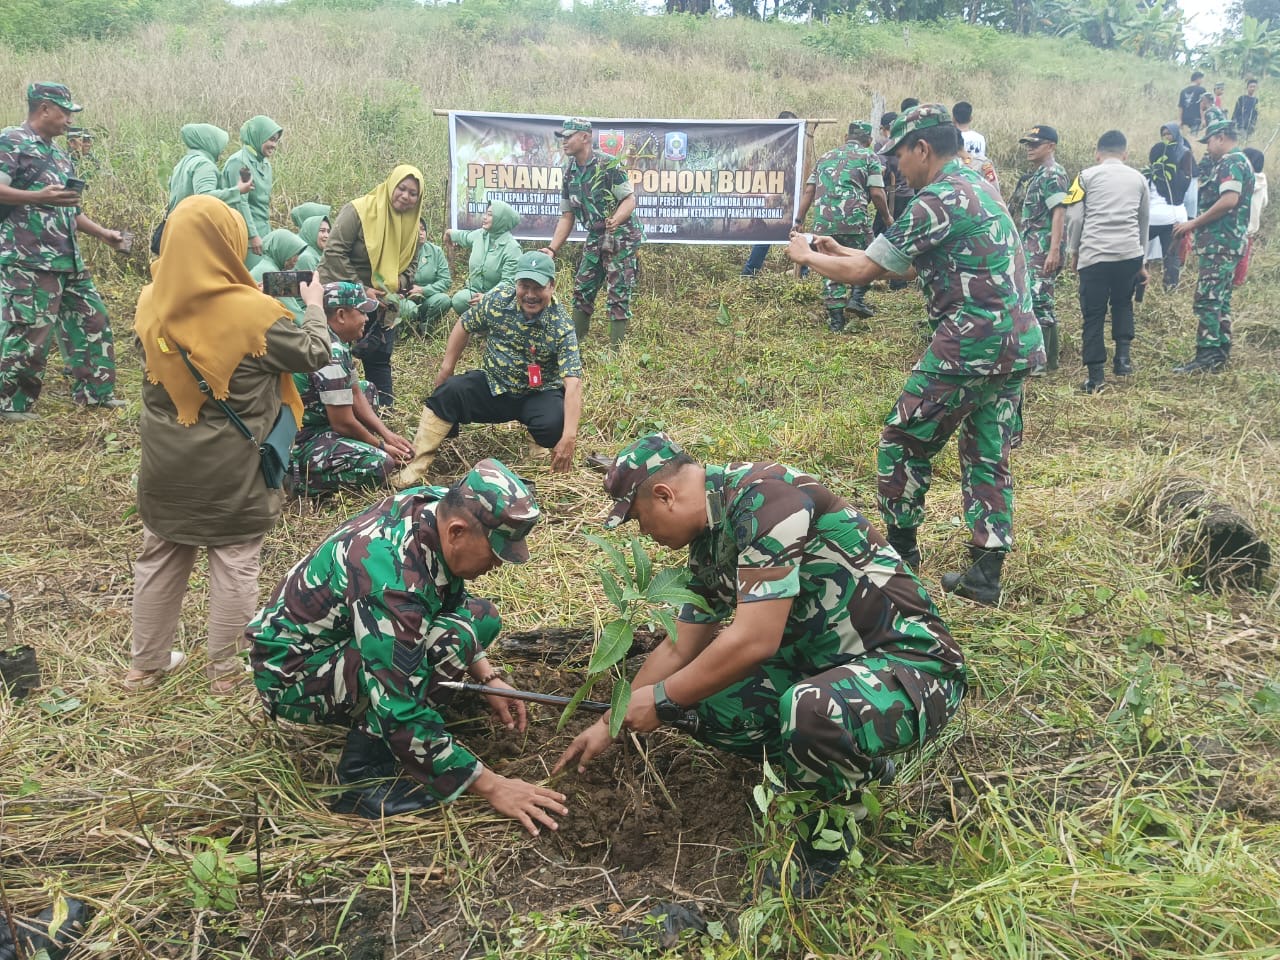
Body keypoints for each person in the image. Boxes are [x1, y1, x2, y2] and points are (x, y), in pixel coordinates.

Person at [554, 433, 966, 897]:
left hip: (912, 670)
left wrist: (663, 700)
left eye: (639, 519)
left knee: (808, 708)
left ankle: (829, 837)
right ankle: (855, 766)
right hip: (827, 669)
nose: (643, 533)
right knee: (707, 703)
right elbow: (679, 648)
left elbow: (754, 640)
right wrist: (614, 718)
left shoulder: (768, 497)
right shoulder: (708, 542)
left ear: (664, 496)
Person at [788, 105, 1044, 605]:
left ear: (923, 149)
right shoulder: (979, 186)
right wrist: (838, 248)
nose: (894, 167)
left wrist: (806, 255)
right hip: (1016, 345)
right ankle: (985, 574)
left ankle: (900, 558)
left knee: (901, 442)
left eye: (898, 155)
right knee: (988, 451)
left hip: (969, 343)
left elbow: (864, 274)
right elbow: (898, 265)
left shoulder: (938, 198)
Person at [249, 458, 569, 832]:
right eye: (495, 553)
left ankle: (402, 727)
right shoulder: (393, 583)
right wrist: (492, 785)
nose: (498, 564)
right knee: (445, 647)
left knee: (481, 617)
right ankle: (362, 779)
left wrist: (488, 675)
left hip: (343, 639)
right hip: (293, 674)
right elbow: (398, 708)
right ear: (457, 532)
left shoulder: (432, 506)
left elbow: (445, 595)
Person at [125, 195, 331, 693]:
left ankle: (143, 667)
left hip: (164, 465)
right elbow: (315, 352)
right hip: (232, 469)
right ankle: (226, 675)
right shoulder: (254, 313)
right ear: (228, 244)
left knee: (160, 557)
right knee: (235, 561)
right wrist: (313, 306)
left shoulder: (151, 300)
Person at [395, 251, 582, 487]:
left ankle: (538, 451)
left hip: (537, 394)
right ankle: (417, 464)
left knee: (556, 421)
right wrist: (446, 368)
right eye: (525, 286)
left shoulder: (561, 325)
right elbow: (465, 324)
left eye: (538, 287)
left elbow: (573, 382)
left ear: (552, 286)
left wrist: (569, 437)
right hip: (494, 385)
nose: (530, 295)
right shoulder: (497, 300)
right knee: (449, 392)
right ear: (516, 284)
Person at [0, 82, 128, 423]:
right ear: (44, 108)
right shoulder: (12, 140)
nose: (69, 119)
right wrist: (38, 197)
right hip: (28, 258)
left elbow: (71, 208)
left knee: (92, 318)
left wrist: (105, 234)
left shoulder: (59, 154)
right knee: (30, 330)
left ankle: (95, 394)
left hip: (67, 257)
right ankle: (11, 404)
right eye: (65, 111)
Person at [290, 282, 413, 497]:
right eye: (361, 312)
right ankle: (301, 476)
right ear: (341, 315)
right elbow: (343, 422)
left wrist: (386, 434)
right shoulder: (332, 353)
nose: (366, 319)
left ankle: (349, 444)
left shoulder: (336, 340)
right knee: (381, 463)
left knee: (368, 390)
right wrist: (381, 447)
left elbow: (355, 392)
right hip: (302, 438)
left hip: (321, 416)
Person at [318, 164, 424, 407]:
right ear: (391, 185)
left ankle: (384, 410)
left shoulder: (413, 227)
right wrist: (360, 289)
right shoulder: (358, 211)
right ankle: (332, 412)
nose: (406, 197)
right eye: (402, 188)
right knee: (332, 354)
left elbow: (412, 265)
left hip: (382, 297)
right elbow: (334, 251)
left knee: (378, 355)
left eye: (413, 193)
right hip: (342, 290)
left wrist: (398, 282)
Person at [542, 117, 644, 346]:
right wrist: (551, 249)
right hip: (596, 236)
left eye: (568, 137)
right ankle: (576, 343)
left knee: (618, 290)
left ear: (585, 137)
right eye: (563, 138)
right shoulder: (569, 172)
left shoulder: (607, 165)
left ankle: (615, 351)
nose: (564, 142)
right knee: (582, 287)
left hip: (622, 236)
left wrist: (615, 220)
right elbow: (567, 216)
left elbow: (629, 200)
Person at [1062, 130, 1149, 393]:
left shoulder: (1084, 177)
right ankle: (1123, 361)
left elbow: (1075, 219)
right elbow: (1143, 220)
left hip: (1095, 255)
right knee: (1123, 303)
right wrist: (1142, 260)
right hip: (1129, 254)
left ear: (1097, 154)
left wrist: (1073, 251)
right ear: (1125, 154)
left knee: (1093, 314)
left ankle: (1096, 377)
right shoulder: (1139, 178)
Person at [1171, 120, 1255, 373]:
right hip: (1225, 243)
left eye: (1208, 141)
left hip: (1220, 243)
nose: (1207, 148)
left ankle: (1206, 354)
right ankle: (1220, 350)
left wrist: (1192, 224)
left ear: (1220, 137)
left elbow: (1229, 200)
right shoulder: (1236, 162)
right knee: (1221, 298)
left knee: (1208, 298)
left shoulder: (1232, 162)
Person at [794, 121, 891, 331]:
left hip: (824, 222)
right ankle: (857, 297)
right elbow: (876, 192)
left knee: (829, 264)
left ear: (845, 138)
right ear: (869, 141)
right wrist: (887, 218)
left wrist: (799, 221)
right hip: (854, 220)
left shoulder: (825, 157)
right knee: (868, 255)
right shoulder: (869, 156)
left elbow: (809, 192)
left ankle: (836, 320)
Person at [1017, 125, 1069, 372]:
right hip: (1034, 249)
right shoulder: (1041, 174)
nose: (1030, 149)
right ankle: (1043, 361)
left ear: (1050, 146)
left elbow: (1059, 212)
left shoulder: (1053, 174)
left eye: (1035, 144)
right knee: (1037, 299)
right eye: (1028, 144)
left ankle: (1043, 364)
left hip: (1043, 249)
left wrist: (1054, 250)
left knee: (1040, 301)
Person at [219, 116, 282, 266]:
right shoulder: (240, 162)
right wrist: (252, 235)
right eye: (271, 139)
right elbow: (240, 202)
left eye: (276, 140)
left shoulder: (265, 163)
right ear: (258, 136)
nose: (274, 145)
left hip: (264, 231)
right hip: (245, 234)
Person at [742, 111, 799, 276]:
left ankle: (802, 269)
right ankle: (749, 273)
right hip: (766, 197)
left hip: (787, 201)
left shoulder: (795, 147)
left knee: (794, 233)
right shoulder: (767, 146)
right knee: (765, 235)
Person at [443, 199, 521, 315]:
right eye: (485, 213)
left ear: (501, 220)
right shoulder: (481, 235)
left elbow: (508, 283)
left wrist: (487, 297)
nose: (484, 217)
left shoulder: (513, 248)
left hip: (499, 297)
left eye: (490, 215)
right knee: (459, 301)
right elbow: (465, 236)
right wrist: (449, 233)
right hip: (475, 291)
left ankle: (492, 326)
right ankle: (476, 326)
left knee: (496, 308)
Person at [1146, 123, 1195, 290]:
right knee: (1171, 254)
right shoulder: (1181, 157)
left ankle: (1138, 281)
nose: (1167, 138)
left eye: (1169, 134)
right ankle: (1171, 287)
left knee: (1137, 245)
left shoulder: (1159, 159)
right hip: (1177, 215)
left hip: (1156, 216)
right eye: (1164, 135)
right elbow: (1189, 190)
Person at [166, 124, 252, 215]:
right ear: (210, 143)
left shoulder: (183, 163)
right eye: (220, 146)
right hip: (192, 225)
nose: (222, 151)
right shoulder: (203, 164)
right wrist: (238, 190)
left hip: (175, 223)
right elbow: (205, 197)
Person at [399, 219, 452, 336]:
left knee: (444, 299)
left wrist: (424, 290)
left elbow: (446, 280)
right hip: (405, 299)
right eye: (417, 230)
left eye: (423, 229)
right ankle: (405, 330)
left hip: (427, 298)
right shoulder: (399, 251)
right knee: (409, 309)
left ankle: (426, 327)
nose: (421, 233)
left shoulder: (436, 251)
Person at [249, 228, 309, 320]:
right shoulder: (272, 272)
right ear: (282, 249)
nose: (297, 259)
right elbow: (295, 314)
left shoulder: (266, 266)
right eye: (294, 254)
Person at [1235, 147, 1267, 287]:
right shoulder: (1263, 180)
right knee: (1244, 255)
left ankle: (1232, 281)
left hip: (1238, 223)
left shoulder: (1242, 178)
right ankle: (1238, 281)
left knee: (1234, 255)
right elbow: (1265, 202)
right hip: (1252, 225)